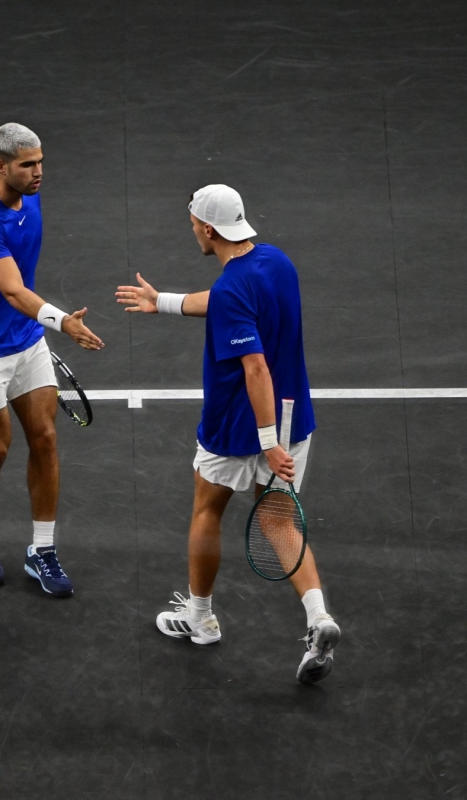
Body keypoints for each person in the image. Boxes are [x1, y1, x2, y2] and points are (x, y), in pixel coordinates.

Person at [115, 184, 340, 684]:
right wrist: (162, 301)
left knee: (206, 510)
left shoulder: (234, 286)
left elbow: (254, 366)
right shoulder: (277, 262)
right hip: (292, 417)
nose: (193, 231)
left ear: (208, 229)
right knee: (279, 522)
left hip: (238, 426)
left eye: (194, 225)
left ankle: (200, 618)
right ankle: (318, 617)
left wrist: (266, 444)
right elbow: (223, 303)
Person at [0, 122, 104, 596]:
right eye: (27, 165)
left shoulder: (30, 198)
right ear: (1, 166)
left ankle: (42, 549)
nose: (38, 172)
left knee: (46, 439)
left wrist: (39, 327)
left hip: (26, 341)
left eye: (40, 162)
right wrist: (63, 322)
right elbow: (14, 290)